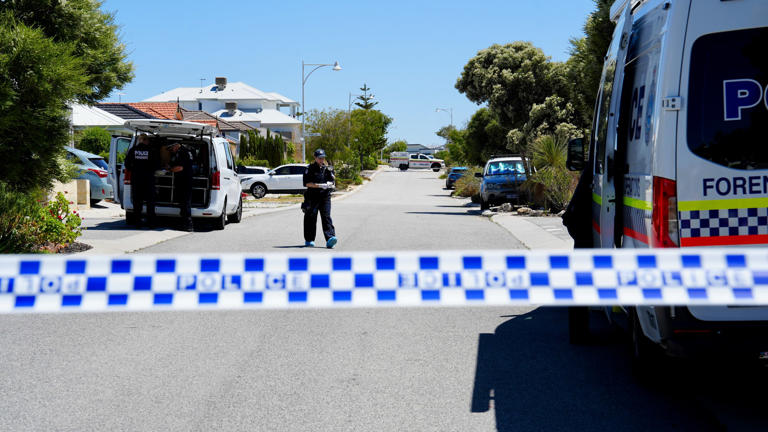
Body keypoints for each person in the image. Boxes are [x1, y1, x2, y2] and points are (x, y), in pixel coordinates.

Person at [303, 149, 337, 248]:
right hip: (312, 196)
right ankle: (309, 239)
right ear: (315, 158)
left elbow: (332, 181)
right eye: (319, 158)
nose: (322, 160)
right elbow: (307, 183)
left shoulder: (327, 169)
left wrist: (330, 184)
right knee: (311, 217)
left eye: (323, 158)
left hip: (325, 197)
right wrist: (319, 185)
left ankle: (330, 238)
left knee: (326, 216)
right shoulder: (309, 169)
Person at [123, 134, 159, 227]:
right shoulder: (151, 151)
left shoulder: (132, 150)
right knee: (150, 201)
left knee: (137, 201)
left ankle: (137, 222)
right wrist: (150, 171)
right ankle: (151, 222)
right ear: (144, 140)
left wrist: (134, 170)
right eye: (147, 140)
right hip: (148, 179)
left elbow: (127, 164)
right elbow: (156, 164)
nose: (148, 141)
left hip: (136, 179)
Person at [166, 142, 194, 232]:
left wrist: (170, 170)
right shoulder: (186, 151)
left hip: (185, 181)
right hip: (184, 181)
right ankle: (183, 223)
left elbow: (180, 168)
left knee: (185, 203)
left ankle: (188, 225)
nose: (171, 149)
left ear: (176, 145)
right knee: (183, 203)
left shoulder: (182, 152)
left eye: (172, 147)